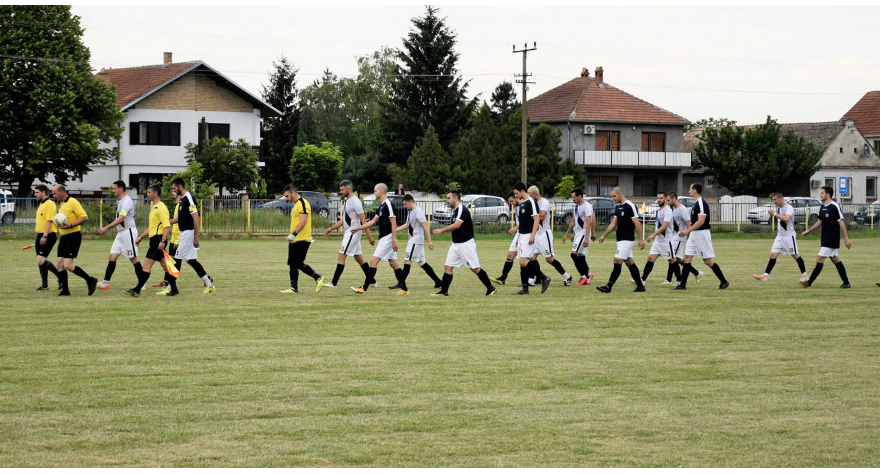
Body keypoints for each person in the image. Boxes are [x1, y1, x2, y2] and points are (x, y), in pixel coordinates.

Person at [430, 190, 497, 297]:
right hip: (456, 244)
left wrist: (441, 230)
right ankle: (444, 291)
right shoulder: (456, 210)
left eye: (448, 198)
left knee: (475, 268)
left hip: (466, 244)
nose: (447, 201)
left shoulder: (462, 209)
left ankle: (491, 288)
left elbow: (457, 225)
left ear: (455, 198)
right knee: (448, 267)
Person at [350, 183, 407, 295]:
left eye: (375, 191)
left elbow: (393, 223)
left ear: (381, 191)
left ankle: (364, 288)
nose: (374, 192)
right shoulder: (381, 205)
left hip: (388, 237)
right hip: (384, 238)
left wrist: (393, 241)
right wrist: (358, 228)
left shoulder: (389, 204)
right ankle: (405, 289)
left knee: (373, 261)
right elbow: (372, 222)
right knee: (394, 264)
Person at [675, 183, 730, 291]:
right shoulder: (696, 203)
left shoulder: (701, 203)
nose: (689, 191)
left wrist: (686, 231)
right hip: (694, 234)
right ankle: (682, 285)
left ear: (695, 191)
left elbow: (701, 221)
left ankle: (724, 281)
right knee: (687, 258)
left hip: (701, 234)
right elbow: (696, 221)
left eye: (690, 189)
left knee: (707, 261)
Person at [322, 180, 376, 288]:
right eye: (340, 189)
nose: (341, 192)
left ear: (349, 189)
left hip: (353, 232)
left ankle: (333, 283)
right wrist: (331, 228)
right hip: (349, 232)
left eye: (342, 190)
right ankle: (372, 281)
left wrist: (369, 237)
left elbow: (363, 221)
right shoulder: (348, 201)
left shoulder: (356, 202)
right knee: (359, 257)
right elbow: (344, 220)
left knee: (341, 255)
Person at [124, 184, 175, 297]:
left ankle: (137, 289)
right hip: (154, 240)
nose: (147, 194)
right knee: (166, 265)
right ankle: (174, 288)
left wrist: (162, 241)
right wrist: (141, 236)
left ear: (156, 193)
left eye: (149, 192)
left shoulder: (161, 207)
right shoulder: (154, 207)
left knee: (147, 265)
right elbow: (152, 227)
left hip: (158, 240)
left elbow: (167, 227)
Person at [797, 186, 852, 289]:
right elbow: (820, 221)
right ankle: (846, 282)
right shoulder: (823, 206)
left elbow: (841, 222)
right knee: (835, 259)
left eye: (822, 193)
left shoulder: (834, 206)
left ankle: (809, 282)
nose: (820, 195)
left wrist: (846, 238)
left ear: (828, 194)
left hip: (832, 238)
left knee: (820, 258)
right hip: (825, 237)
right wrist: (809, 230)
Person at [168, 178, 216, 294]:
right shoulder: (182, 200)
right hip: (184, 233)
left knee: (177, 259)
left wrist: (195, 237)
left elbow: (195, 218)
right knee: (191, 260)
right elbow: (181, 218)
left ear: (180, 187)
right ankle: (209, 285)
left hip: (188, 233)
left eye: (174, 189)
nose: (173, 191)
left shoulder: (189, 198)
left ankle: (172, 288)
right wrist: (166, 222)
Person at [96, 181, 145, 291]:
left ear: (121, 189)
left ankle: (142, 283)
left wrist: (105, 228)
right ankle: (105, 282)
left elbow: (121, 219)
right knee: (112, 256)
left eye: (114, 189)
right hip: (121, 234)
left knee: (133, 258)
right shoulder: (122, 201)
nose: (113, 191)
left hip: (128, 232)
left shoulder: (127, 201)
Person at [596, 187, 645, 293]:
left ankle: (608, 287)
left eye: (614, 196)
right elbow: (614, 223)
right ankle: (640, 286)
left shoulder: (630, 206)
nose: (613, 198)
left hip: (627, 239)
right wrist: (603, 235)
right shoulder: (618, 207)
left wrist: (641, 239)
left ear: (621, 194)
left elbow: (637, 223)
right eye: (612, 196)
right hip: (620, 239)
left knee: (617, 260)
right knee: (629, 262)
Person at [52, 184, 98, 296]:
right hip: (64, 236)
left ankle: (90, 280)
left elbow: (84, 217)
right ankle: (66, 291)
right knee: (59, 264)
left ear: (62, 192)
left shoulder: (73, 202)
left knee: (67, 265)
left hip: (73, 236)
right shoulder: (62, 204)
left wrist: (71, 225)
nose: (53, 195)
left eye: (54, 193)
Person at [389, 194, 442, 290]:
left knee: (407, 261)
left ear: (410, 201)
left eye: (405, 204)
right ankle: (438, 281)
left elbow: (425, 226)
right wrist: (395, 230)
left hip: (415, 241)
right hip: (413, 240)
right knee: (422, 263)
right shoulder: (410, 211)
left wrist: (429, 241)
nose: (404, 206)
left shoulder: (418, 211)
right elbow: (407, 224)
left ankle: (401, 283)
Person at [753, 192, 808, 282]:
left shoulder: (788, 208)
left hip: (789, 236)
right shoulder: (779, 208)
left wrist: (774, 214)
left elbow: (786, 218)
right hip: (780, 236)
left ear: (780, 198)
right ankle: (765, 276)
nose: (774, 201)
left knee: (795, 255)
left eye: (775, 199)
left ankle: (804, 275)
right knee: (773, 255)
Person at [280, 184, 324, 293]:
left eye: (287, 196)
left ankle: (318, 277)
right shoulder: (295, 204)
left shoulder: (303, 203)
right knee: (292, 263)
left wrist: (294, 233)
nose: (286, 199)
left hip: (302, 239)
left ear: (293, 193)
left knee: (298, 263)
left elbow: (303, 221)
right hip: (295, 239)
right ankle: (293, 288)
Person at [512, 182, 550, 295]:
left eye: (516, 193)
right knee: (521, 263)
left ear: (522, 191)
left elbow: (537, 219)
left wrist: (533, 235)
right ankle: (525, 289)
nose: (515, 195)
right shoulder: (523, 204)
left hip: (529, 235)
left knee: (524, 261)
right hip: (523, 235)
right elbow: (523, 223)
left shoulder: (531, 202)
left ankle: (544, 277)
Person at [529, 186, 571, 286]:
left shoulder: (544, 202)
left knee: (549, 259)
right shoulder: (532, 203)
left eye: (530, 195)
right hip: (536, 234)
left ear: (535, 194)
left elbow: (542, 216)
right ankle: (531, 280)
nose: (529, 198)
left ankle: (566, 276)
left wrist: (531, 214)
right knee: (531, 257)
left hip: (544, 234)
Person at [638, 192, 679, 286]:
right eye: (658, 198)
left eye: (661, 198)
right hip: (658, 240)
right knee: (650, 258)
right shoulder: (659, 210)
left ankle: (680, 281)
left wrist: (652, 235)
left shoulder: (667, 210)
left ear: (665, 199)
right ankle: (642, 280)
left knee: (672, 260)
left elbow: (665, 225)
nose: (659, 199)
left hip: (666, 240)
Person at [561, 188, 596, 286]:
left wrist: (587, 237)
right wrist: (569, 233)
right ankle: (588, 275)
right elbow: (574, 221)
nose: (572, 199)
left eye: (574, 197)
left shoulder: (587, 206)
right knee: (581, 257)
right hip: (578, 233)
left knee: (573, 254)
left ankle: (583, 276)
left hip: (584, 233)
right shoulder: (577, 206)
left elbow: (590, 223)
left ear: (580, 196)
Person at [490, 192, 522, 285]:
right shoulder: (517, 207)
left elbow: (526, 221)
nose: (511, 203)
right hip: (519, 233)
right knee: (510, 256)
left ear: (516, 197)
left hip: (524, 234)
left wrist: (515, 228)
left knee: (526, 260)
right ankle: (503, 278)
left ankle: (542, 277)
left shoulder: (524, 206)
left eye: (512, 201)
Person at [32, 184, 60, 291]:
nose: (35, 194)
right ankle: (44, 285)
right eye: (35, 192)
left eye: (37, 192)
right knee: (40, 261)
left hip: (48, 235)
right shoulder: (41, 204)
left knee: (40, 260)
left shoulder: (50, 204)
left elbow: (49, 221)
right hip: (40, 235)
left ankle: (61, 277)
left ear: (44, 192)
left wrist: (44, 236)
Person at [666, 192, 698, 285]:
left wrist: (689, 238)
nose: (667, 202)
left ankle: (677, 280)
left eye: (668, 200)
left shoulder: (683, 209)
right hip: (673, 237)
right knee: (678, 259)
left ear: (674, 199)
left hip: (679, 238)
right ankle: (696, 273)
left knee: (672, 257)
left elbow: (689, 225)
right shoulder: (672, 209)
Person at [155, 189, 181, 293]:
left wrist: (165, 221)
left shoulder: (181, 205)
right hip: (174, 238)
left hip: (180, 239)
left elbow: (178, 219)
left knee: (183, 262)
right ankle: (167, 282)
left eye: (174, 192)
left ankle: (207, 278)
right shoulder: (177, 205)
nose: (172, 195)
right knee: (170, 262)